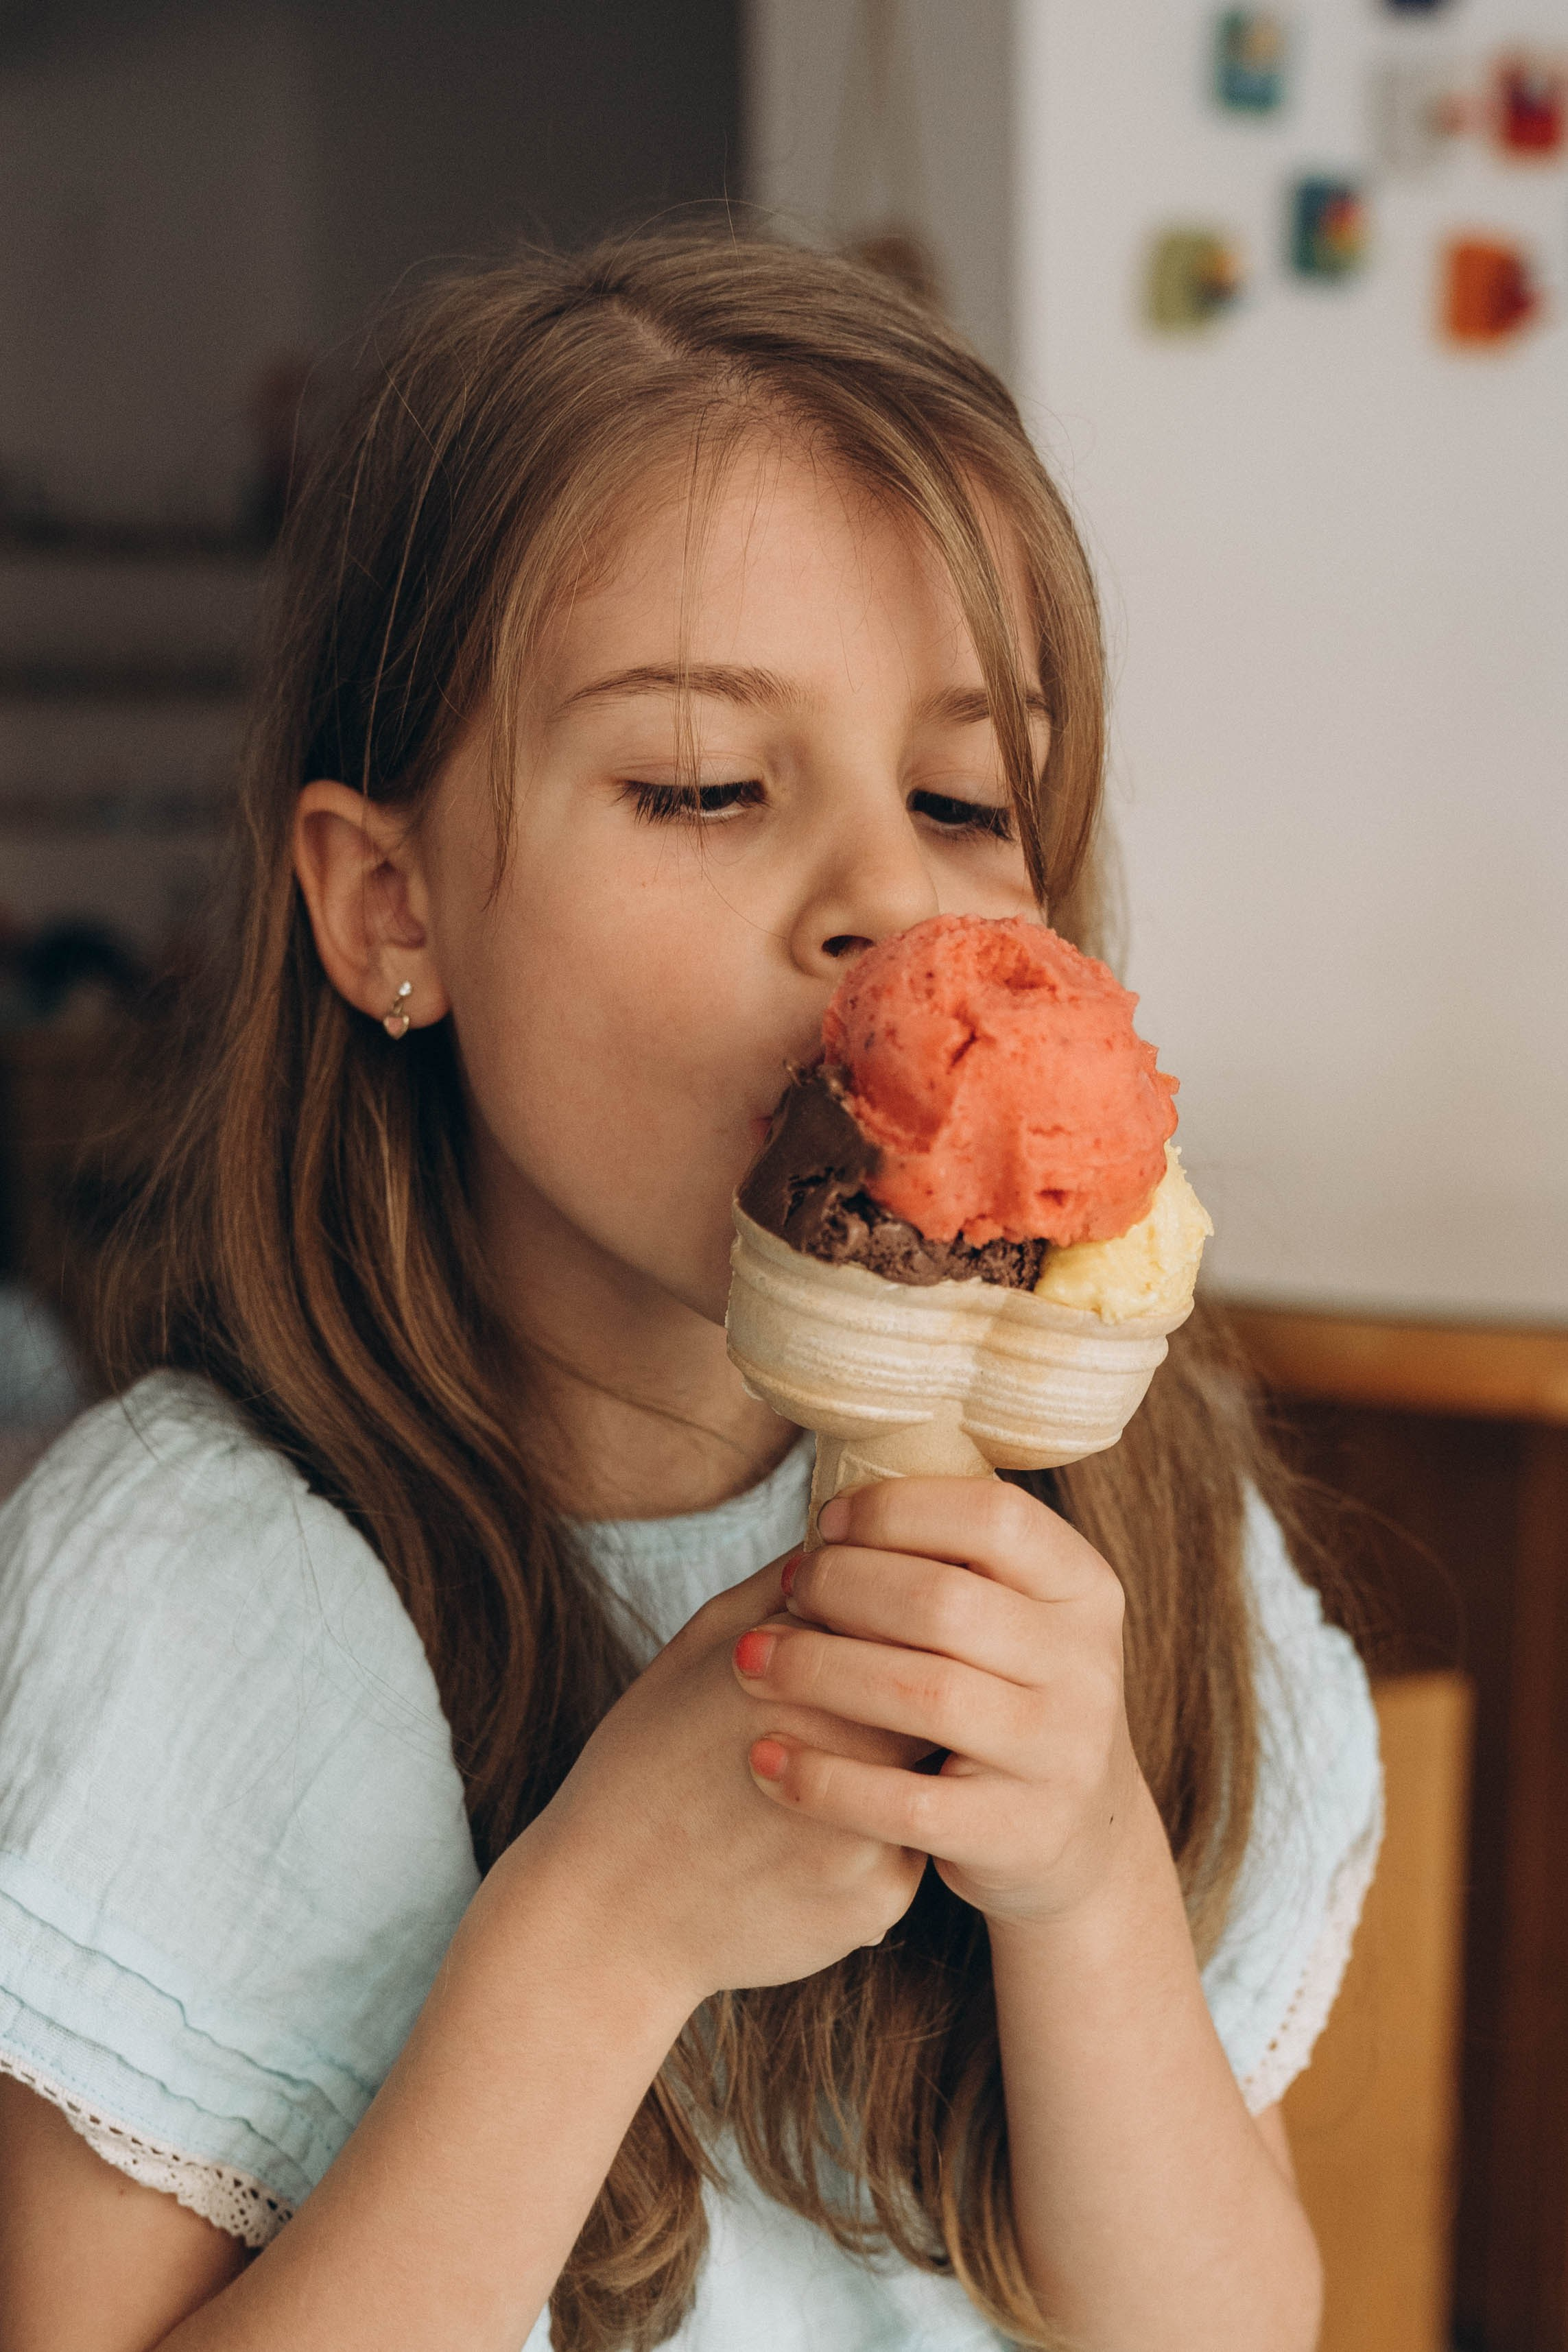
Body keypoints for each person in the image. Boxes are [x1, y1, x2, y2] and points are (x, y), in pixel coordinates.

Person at [0, 233, 1379, 2352]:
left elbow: (1232, 2324)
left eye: (964, 800)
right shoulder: (197, 1597)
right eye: (707, 789)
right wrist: (600, 1928)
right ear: (393, 911)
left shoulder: (1137, 1518)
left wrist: (1088, 1879)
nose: (881, 908)